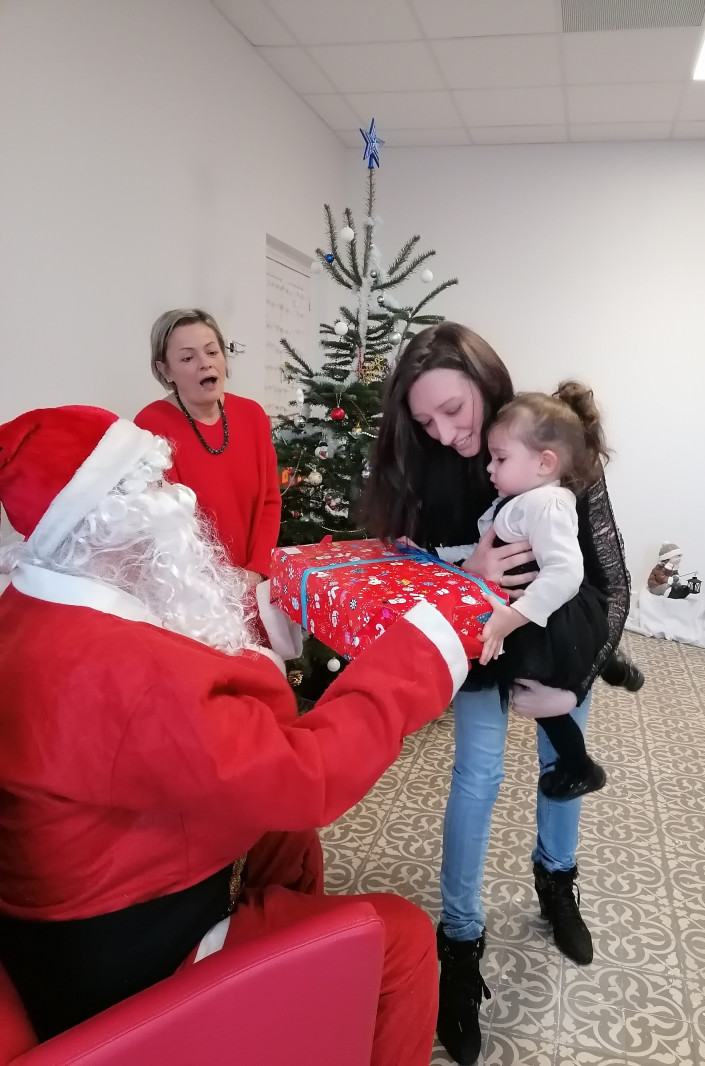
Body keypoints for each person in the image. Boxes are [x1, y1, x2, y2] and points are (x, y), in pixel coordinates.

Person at [0, 404, 473, 1066]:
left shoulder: (37, 606)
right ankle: (287, 976)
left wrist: (258, 634)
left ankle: (296, 995)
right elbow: (309, 776)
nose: (182, 495)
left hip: (72, 914)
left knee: (285, 834)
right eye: (157, 484)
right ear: (107, 521)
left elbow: (186, 710)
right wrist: (420, 653)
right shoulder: (116, 671)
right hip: (136, 968)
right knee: (401, 935)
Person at [361, 322, 630, 1066]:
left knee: (562, 764)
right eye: (424, 421)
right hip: (482, 646)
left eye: (454, 410)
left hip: (562, 640)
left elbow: (612, 583)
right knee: (476, 777)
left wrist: (575, 683)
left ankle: (557, 883)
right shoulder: (426, 465)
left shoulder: (548, 440)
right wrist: (467, 568)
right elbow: (405, 566)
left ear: (483, 380)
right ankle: (459, 943)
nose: (447, 434)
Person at [476, 389, 611, 802]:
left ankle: (579, 765)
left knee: (533, 688)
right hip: (547, 618)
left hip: (548, 621)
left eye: (500, 458)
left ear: (544, 462)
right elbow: (485, 547)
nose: (489, 468)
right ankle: (615, 667)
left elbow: (567, 571)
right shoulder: (522, 501)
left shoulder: (546, 504)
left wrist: (513, 617)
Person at [134, 308, 281, 614]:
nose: (205, 363)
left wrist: (255, 571)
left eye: (212, 351)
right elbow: (165, 527)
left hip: (253, 586)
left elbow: (269, 501)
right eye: (187, 358)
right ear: (165, 370)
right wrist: (216, 587)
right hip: (193, 598)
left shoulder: (252, 416)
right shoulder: (151, 424)